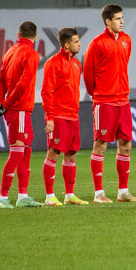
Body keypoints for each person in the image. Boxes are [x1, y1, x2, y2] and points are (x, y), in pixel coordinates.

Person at [83, 3, 135, 203]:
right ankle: (99, 194)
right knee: (101, 145)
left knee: (126, 145)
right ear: (107, 21)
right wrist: (97, 94)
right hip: (104, 101)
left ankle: (123, 192)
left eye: (122, 18)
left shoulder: (126, 40)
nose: (122, 22)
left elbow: (123, 66)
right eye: (118, 19)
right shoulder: (97, 44)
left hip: (123, 100)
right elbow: (88, 74)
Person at [0, 20, 42, 208]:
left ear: (18, 34)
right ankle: (3, 198)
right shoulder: (31, 54)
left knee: (25, 152)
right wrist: (7, 103)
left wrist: (1, 103)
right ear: (35, 36)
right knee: (17, 153)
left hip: (16, 109)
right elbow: (23, 84)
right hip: (19, 109)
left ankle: (23, 196)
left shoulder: (9, 51)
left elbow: (0, 80)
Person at [41, 27, 85, 205]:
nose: (79, 44)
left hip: (73, 115)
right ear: (66, 45)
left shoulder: (76, 63)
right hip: (58, 115)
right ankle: (49, 195)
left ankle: (69, 195)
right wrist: (50, 117)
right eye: (76, 42)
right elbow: (46, 91)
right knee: (54, 153)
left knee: (71, 155)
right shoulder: (53, 63)